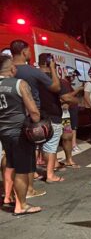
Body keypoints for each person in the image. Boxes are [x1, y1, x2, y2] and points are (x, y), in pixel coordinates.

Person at [10, 39, 60, 198]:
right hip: (29, 116)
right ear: (24, 52)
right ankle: (29, 190)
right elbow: (56, 87)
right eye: (29, 51)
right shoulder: (32, 71)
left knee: (10, 155)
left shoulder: (7, 70)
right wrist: (53, 69)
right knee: (29, 153)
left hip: (9, 116)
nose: (30, 54)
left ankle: (9, 192)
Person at [0, 54, 42, 215]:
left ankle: (10, 198)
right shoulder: (19, 84)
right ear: (11, 68)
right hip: (19, 131)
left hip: (3, 131)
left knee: (10, 164)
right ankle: (21, 205)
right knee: (22, 170)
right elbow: (33, 111)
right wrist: (36, 122)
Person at [38, 54, 78, 183]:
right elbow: (66, 98)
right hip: (53, 116)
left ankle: (36, 172)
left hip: (37, 116)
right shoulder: (55, 80)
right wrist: (78, 101)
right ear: (50, 62)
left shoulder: (33, 78)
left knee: (41, 145)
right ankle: (50, 174)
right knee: (51, 147)